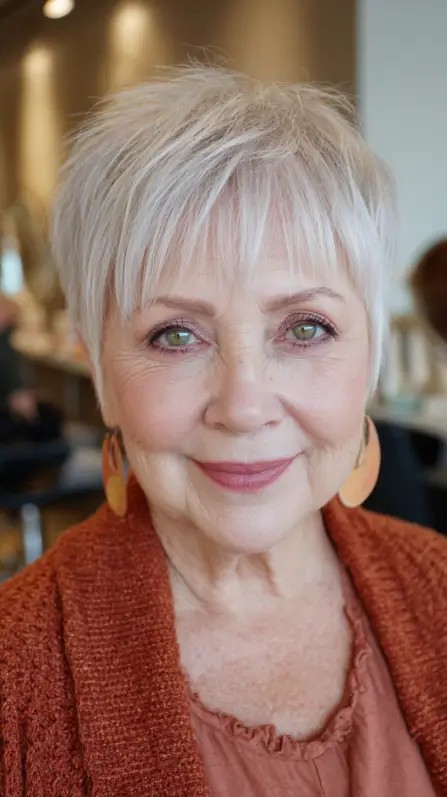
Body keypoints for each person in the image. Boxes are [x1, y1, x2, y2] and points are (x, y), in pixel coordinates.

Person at [0, 66, 445, 797]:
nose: (243, 406)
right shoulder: (16, 673)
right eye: (175, 334)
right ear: (100, 372)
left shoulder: (439, 586)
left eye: (305, 327)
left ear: (370, 357)